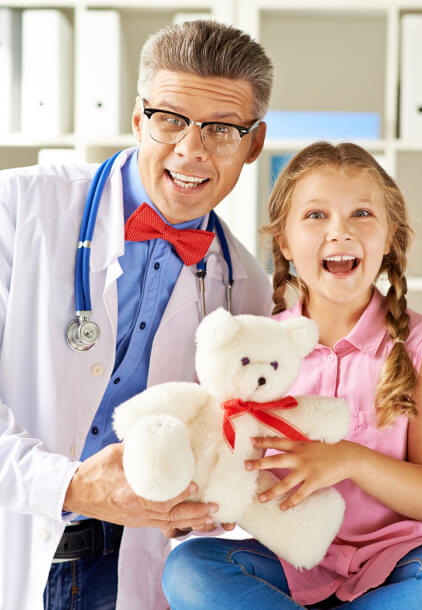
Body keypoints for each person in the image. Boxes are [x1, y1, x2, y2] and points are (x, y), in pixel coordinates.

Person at [0, 20, 274, 610]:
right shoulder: (17, 209)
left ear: (253, 145)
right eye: (170, 118)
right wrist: (71, 486)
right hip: (12, 537)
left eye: (221, 129)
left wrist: (216, 496)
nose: (191, 150)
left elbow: (223, 438)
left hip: (128, 568)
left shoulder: (247, 286)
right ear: (137, 119)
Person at [162, 142, 422, 609]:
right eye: (316, 215)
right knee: (189, 568)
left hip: (404, 559)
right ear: (284, 242)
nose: (340, 231)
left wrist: (351, 460)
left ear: (390, 237)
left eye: (361, 214)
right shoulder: (256, 348)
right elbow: (230, 465)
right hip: (292, 559)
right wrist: (198, 507)